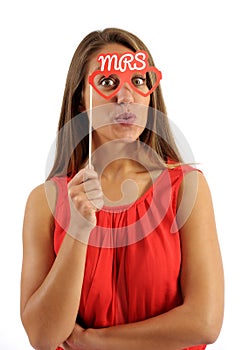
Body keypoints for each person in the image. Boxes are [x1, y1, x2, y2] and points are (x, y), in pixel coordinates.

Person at [20, 28, 224, 350]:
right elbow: (43, 336)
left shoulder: (187, 189)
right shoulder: (45, 203)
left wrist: (96, 341)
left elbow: (205, 322)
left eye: (139, 82)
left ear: (150, 95)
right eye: (108, 82)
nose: (125, 96)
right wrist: (79, 227)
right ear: (80, 102)